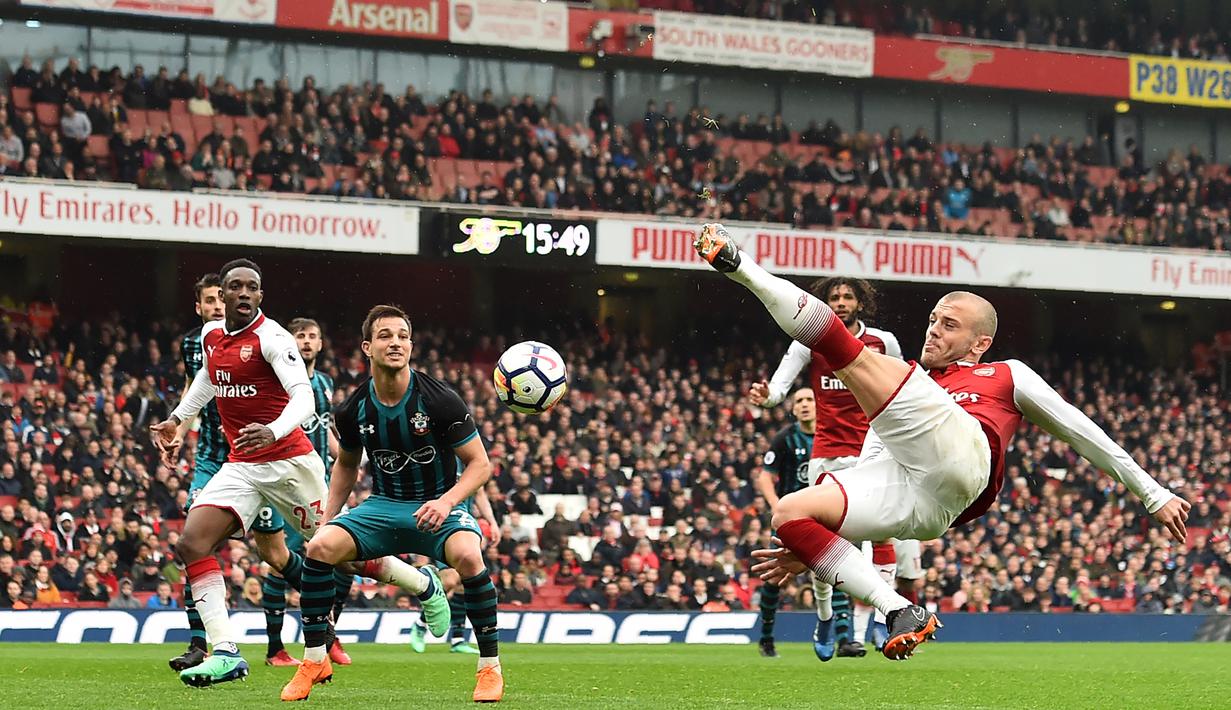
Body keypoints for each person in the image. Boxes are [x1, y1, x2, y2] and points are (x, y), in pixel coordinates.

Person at [693, 223, 1189, 660]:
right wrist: (814, 544)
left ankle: (740, 267)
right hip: (926, 507)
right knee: (790, 513)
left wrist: (1152, 493)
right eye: (932, 320)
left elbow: (1081, 431)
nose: (933, 330)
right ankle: (899, 610)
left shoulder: (1005, 374)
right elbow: (874, 460)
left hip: (965, 460)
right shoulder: (907, 391)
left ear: (980, 343)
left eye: (948, 325)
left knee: (846, 349)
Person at [151, 260, 446, 688]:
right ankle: (226, 652)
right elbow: (208, 379)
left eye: (252, 287)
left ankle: (422, 583)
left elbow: (304, 398)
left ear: (260, 296)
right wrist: (178, 418)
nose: (243, 293)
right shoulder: (212, 336)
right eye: (235, 287)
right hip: (242, 465)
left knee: (341, 552)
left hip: (291, 464)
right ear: (224, 294)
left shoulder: (273, 338)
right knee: (192, 542)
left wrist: (272, 430)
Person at [280, 305, 502, 702]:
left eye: (402, 336)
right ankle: (314, 660)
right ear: (367, 347)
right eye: (385, 335)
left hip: (439, 507)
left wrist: (447, 502)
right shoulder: (352, 409)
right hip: (382, 507)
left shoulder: (440, 400)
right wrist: (327, 520)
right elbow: (346, 465)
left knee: (469, 557)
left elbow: (480, 464)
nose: (395, 342)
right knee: (320, 548)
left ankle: (489, 669)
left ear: (411, 346)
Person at [749, 276, 918, 659]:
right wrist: (768, 396)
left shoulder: (883, 342)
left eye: (847, 297)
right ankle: (825, 616)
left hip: (873, 451)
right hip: (827, 454)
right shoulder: (808, 340)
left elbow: (901, 387)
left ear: (860, 303)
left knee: (883, 535)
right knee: (820, 541)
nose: (840, 302)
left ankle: (883, 619)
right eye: (834, 297)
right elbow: (780, 386)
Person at [250, 317, 354, 668]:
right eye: (301, 336)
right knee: (280, 562)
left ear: (321, 344)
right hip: (285, 482)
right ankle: (275, 648)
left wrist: (350, 460)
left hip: (320, 483)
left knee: (347, 557)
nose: (307, 341)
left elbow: (326, 432)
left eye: (313, 336)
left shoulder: (324, 383)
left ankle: (329, 633)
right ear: (290, 342)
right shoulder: (279, 380)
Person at [167, 273, 228, 673]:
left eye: (222, 298)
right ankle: (199, 644)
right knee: (193, 542)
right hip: (209, 457)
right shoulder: (192, 343)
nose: (218, 305)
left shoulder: (260, 339)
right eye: (210, 300)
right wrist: (178, 430)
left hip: (256, 457)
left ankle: (323, 629)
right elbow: (194, 387)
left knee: (278, 554)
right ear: (199, 307)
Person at [754, 387, 814, 658]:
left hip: (824, 515)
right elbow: (765, 476)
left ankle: (843, 638)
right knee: (775, 576)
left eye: (810, 399)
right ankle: (766, 637)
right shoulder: (785, 438)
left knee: (837, 571)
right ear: (793, 409)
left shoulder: (831, 437)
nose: (805, 404)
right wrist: (776, 506)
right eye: (799, 401)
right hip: (791, 518)